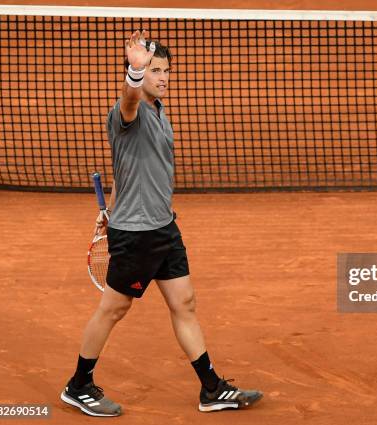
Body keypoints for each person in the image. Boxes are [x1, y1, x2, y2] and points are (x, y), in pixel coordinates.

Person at [60, 30, 262, 417]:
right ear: (137, 73)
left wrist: (142, 208)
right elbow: (128, 98)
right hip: (137, 235)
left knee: (184, 302)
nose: (163, 77)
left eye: (166, 70)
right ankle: (79, 384)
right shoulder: (127, 112)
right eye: (154, 70)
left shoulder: (160, 111)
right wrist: (135, 75)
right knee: (113, 309)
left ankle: (211, 389)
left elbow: (136, 169)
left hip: (162, 227)